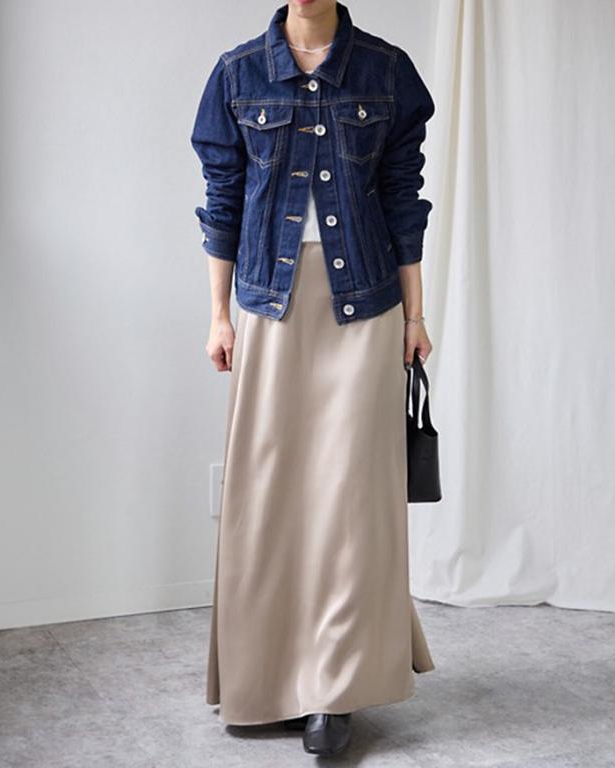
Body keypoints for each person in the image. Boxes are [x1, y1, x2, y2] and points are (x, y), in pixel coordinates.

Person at [190, 0, 436, 758]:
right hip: (268, 301)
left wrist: (415, 316)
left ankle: (334, 689)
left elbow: (403, 200)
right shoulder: (237, 74)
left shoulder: (386, 71)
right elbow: (222, 202)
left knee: (351, 497)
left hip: (365, 303)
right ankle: (266, 678)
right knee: (266, 493)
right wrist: (219, 316)